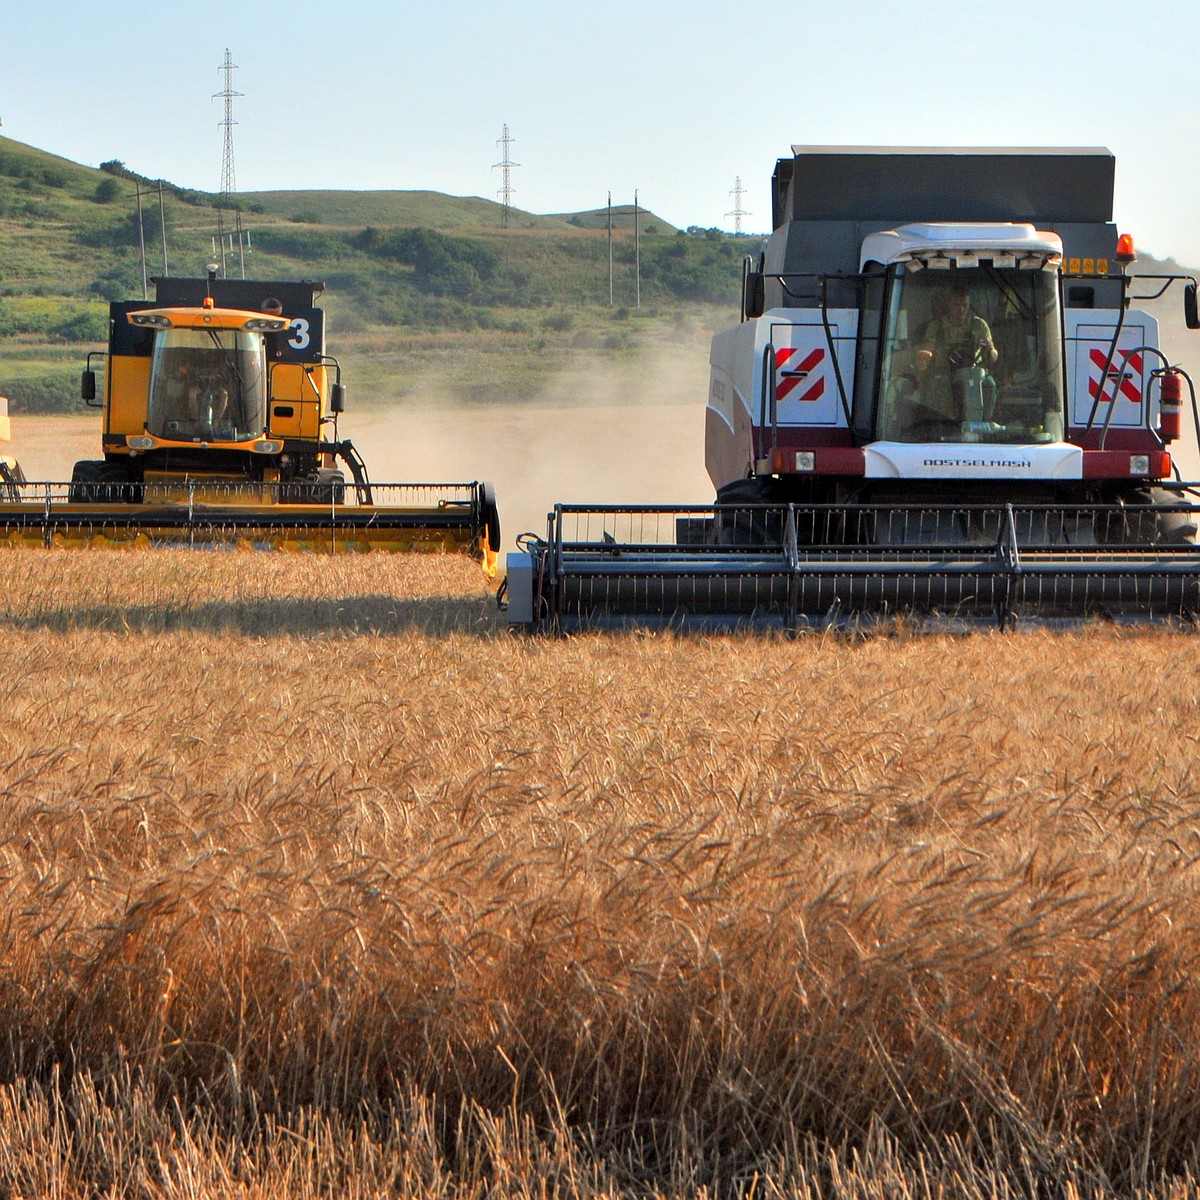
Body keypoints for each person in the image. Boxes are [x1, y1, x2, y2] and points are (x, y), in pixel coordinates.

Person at [915, 287, 998, 424]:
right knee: (935, 385)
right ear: (948, 304)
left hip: (975, 374)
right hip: (945, 373)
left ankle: (984, 424)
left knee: (990, 384)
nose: (961, 309)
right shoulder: (937, 326)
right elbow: (927, 352)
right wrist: (925, 358)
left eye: (965, 305)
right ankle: (939, 425)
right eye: (957, 305)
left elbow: (994, 356)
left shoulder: (979, 325)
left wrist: (990, 350)